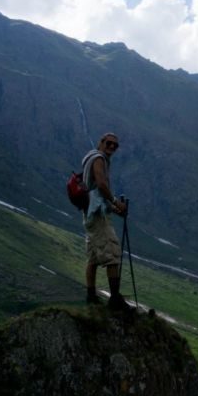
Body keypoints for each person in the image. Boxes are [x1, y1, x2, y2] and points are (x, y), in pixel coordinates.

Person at [82, 132, 131, 311]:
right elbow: (101, 186)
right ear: (101, 142)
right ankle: (115, 299)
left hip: (90, 213)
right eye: (109, 143)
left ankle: (91, 296)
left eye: (115, 146)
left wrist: (114, 208)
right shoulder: (98, 159)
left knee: (94, 257)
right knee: (112, 253)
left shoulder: (91, 158)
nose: (111, 147)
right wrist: (116, 202)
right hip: (97, 216)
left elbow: (96, 193)